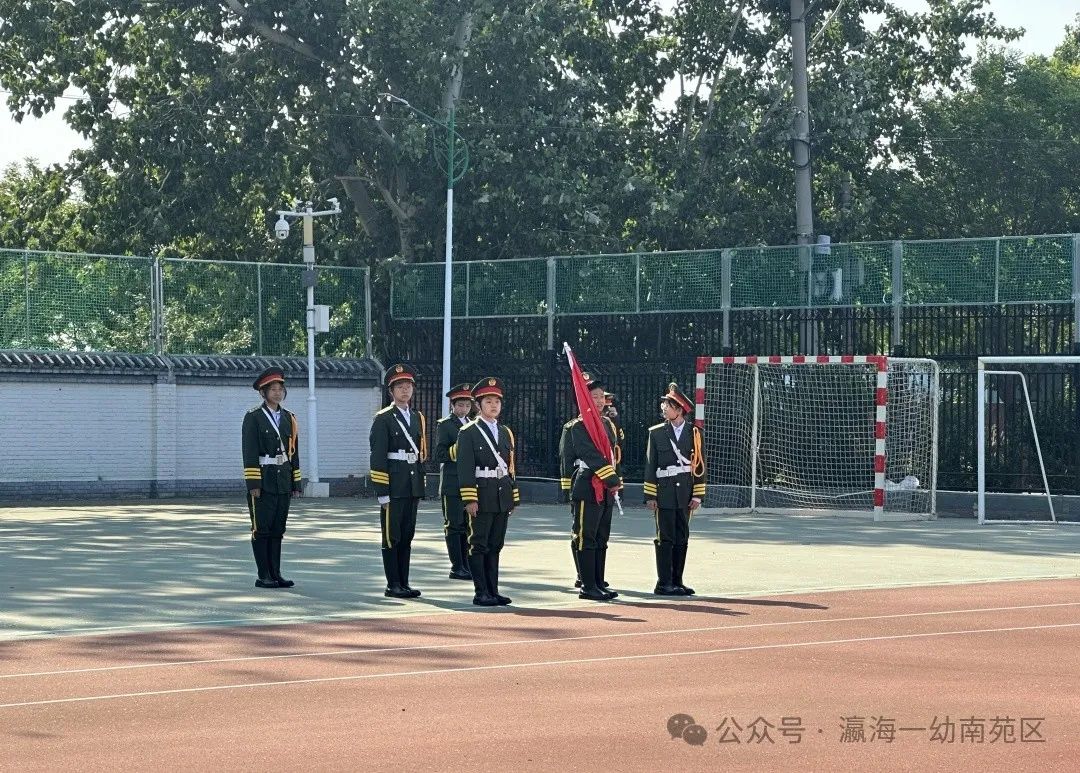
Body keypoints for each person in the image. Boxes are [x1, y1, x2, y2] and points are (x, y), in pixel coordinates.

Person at [456, 377, 520, 606]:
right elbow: (464, 469)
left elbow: (510, 467)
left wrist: (513, 497)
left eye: (497, 402)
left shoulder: (504, 432)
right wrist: (469, 499)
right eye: (488, 401)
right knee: (479, 543)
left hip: (501, 494)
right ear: (478, 405)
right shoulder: (469, 432)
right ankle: (480, 591)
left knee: (496, 544)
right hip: (481, 494)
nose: (494, 406)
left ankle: (493, 590)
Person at [559, 370, 622, 601]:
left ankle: (597, 581)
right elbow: (591, 456)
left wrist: (616, 480)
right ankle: (587, 585)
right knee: (587, 535)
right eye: (593, 396)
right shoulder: (578, 426)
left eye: (601, 396)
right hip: (587, 484)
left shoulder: (607, 424)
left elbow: (614, 455)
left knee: (601, 535)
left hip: (606, 486)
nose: (598, 401)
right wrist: (612, 479)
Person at [369, 364, 428, 599]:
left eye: (408, 386)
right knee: (391, 536)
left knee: (407, 535)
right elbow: (378, 457)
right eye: (400, 387)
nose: (405, 391)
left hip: (411, 485)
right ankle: (393, 583)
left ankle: (404, 582)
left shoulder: (416, 417)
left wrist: (419, 486)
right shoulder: (383, 418)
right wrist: (382, 492)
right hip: (393, 485)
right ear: (391, 391)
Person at [643, 382, 706, 596]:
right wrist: (650, 495)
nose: (663, 408)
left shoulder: (694, 433)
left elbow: (699, 465)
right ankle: (664, 582)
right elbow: (650, 466)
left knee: (682, 537)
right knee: (665, 537)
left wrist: (698, 494)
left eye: (667, 405)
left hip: (685, 494)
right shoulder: (656, 433)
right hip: (664, 493)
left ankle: (678, 581)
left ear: (679, 409)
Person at [242, 367, 302, 588]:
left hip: (283, 480)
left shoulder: (289, 418)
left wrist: (296, 482)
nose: (277, 393)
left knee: (278, 528)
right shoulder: (254, 418)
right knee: (262, 528)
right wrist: (253, 484)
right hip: (263, 479)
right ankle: (263, 574)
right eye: (272, 389)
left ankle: (276, 573)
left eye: (280, 389)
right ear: (263, 393)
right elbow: (249, 452)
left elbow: (294, 452)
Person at [434, 382, 475, 580]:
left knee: (468, 525)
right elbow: (440, 453)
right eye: (460, 405)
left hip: (469, 483)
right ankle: (457, 565)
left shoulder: (474, 425)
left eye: (467, 405)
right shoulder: (445, 425)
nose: (464, 409)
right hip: (451, 482)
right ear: (453, 405)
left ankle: (467, 563)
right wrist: (460, 448)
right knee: (454, 524)